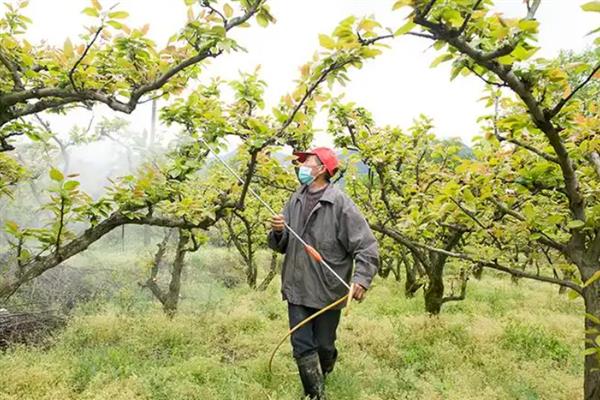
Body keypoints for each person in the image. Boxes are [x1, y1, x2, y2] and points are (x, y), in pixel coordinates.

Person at [267, 147, 379, 399]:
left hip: (328, 290)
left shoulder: (340, 203)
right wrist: (277, 232)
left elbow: (366, 245)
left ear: (322, 169)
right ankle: (314, 394)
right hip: (297, 286)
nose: (302, 165)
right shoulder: (295, 199)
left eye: (308, 161)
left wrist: (361, 279)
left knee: (324, 346)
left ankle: (325, 368)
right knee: (302, 345)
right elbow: (284, 244)